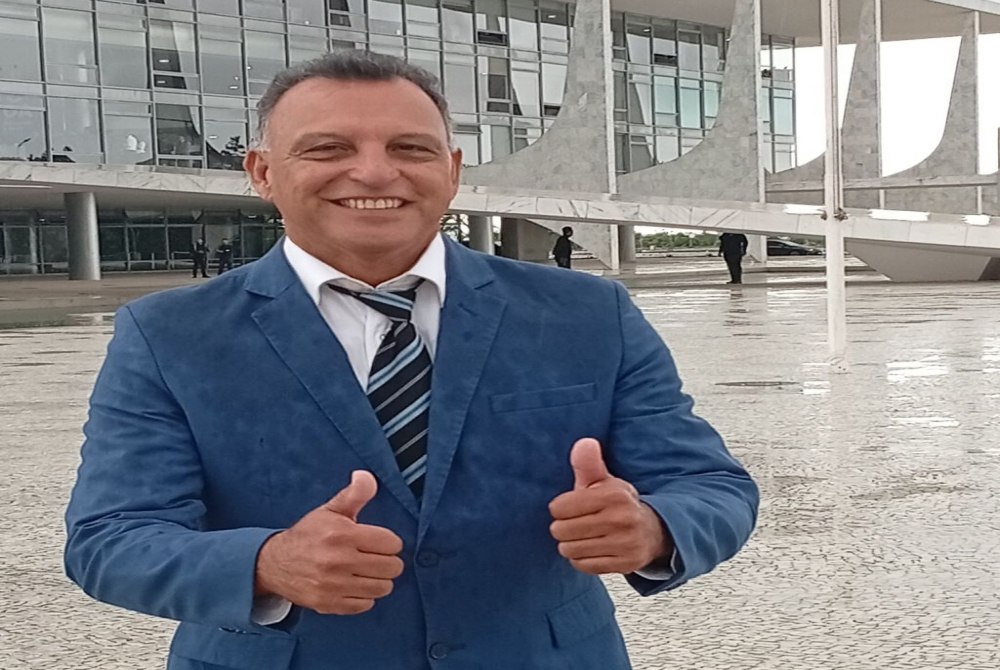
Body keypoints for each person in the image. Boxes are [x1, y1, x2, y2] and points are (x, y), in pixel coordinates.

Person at [65, 51, 758, 670]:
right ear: (263, 172)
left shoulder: (587, 314)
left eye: (410, 148)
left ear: (451, 171)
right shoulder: (169, 335)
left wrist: (654, 528)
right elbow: (109, 538)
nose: (374, 171)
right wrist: (267, 564)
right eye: (328, 148)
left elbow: (710, 485)